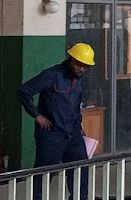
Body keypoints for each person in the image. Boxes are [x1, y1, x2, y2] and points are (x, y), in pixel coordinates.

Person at [18, 43, 95, 200]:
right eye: (79, 65)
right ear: (70, 59)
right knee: (44, 172)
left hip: (73, 132)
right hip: (51, 133)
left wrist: (78, 126)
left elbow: (75, 103)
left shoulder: (79, 79)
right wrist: (37, 115)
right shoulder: (52, 75)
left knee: (80, 168)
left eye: (85, 66)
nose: (82, 69)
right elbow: (24, 90)